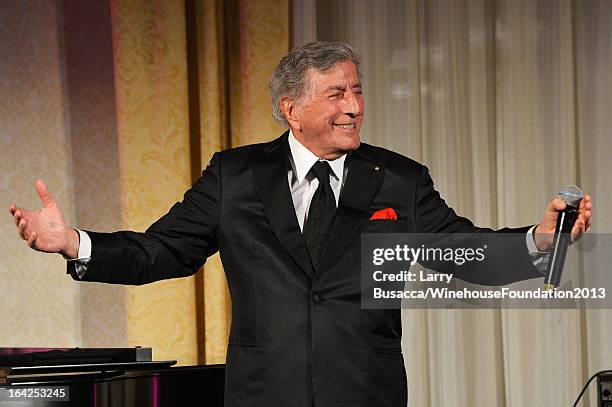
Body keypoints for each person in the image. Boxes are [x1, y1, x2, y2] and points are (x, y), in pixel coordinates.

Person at [9, 41, 592, 407]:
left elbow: (461, 252)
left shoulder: (398, 178)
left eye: (358, 92)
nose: (355, 106)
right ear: (292, 109)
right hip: (266, 392)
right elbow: (164, 251)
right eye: (337, 93)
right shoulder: (235, 175)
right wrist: (73, 242)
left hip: (365, 392)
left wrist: (540, 240)